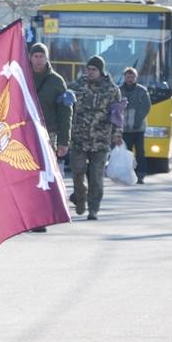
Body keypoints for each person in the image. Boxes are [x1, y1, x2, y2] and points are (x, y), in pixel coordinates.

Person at [68, 55, 121, 220]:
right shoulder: (76, 87)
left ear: (101, 71)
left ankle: (93, 209)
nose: (90, 72)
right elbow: (67, 110)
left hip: (100, 140)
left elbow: (117, 115)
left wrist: (117, 134)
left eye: (94, 70)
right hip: (78, 138)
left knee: (96, 177)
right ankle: (80, 198)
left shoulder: (112, 90)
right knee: (77, 173)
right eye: (88, 69)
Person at [28, 42, 73, 233]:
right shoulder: (22, 75)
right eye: (35, 56)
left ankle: (41, 218)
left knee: (44, 175)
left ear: (47, 58)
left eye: (41, 56)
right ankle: (26, 216)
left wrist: (64, 141)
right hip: (24, 132)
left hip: (48, 134)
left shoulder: (56, 81)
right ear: (30, 57)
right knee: (26, 175)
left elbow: (65, 113)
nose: (38, 60)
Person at [119, 66, 151, 183]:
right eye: (128, 76)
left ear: (135, 77)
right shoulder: (119, 90)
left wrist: (137, 121)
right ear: (125, 77)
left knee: (140, 152)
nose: (130, 79)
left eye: (132, 76)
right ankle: (126, 175)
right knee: (125, 153)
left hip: (138, 128)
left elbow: (146, 107)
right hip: (124, 129)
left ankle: (140, 175)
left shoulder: (142, 91)